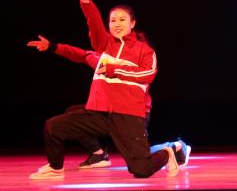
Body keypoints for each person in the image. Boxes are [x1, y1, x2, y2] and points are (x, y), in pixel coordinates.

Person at [29, 0, 180, 181]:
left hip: (128, 115)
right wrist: (87, 6)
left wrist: (112, 69)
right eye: (112, 20)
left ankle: (168, 152)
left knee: (142, 169)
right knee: (54, 126)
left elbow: (147, 74)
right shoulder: (104, 46)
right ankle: (56, 168)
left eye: (122, 20)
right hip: (100, 112)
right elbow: (87, 40)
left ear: (132, 23)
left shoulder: (145, 51)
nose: (117, 24)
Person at [26, 35, 191, 169]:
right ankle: (98, 154)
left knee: (140, 157)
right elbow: (81, 54)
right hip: (108, 113)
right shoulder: (104, 59)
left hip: (134, 115)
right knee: (74, 113)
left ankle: (176, 146)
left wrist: (116, 70)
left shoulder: (137, 64)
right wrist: (53, 46)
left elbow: (146, 74)